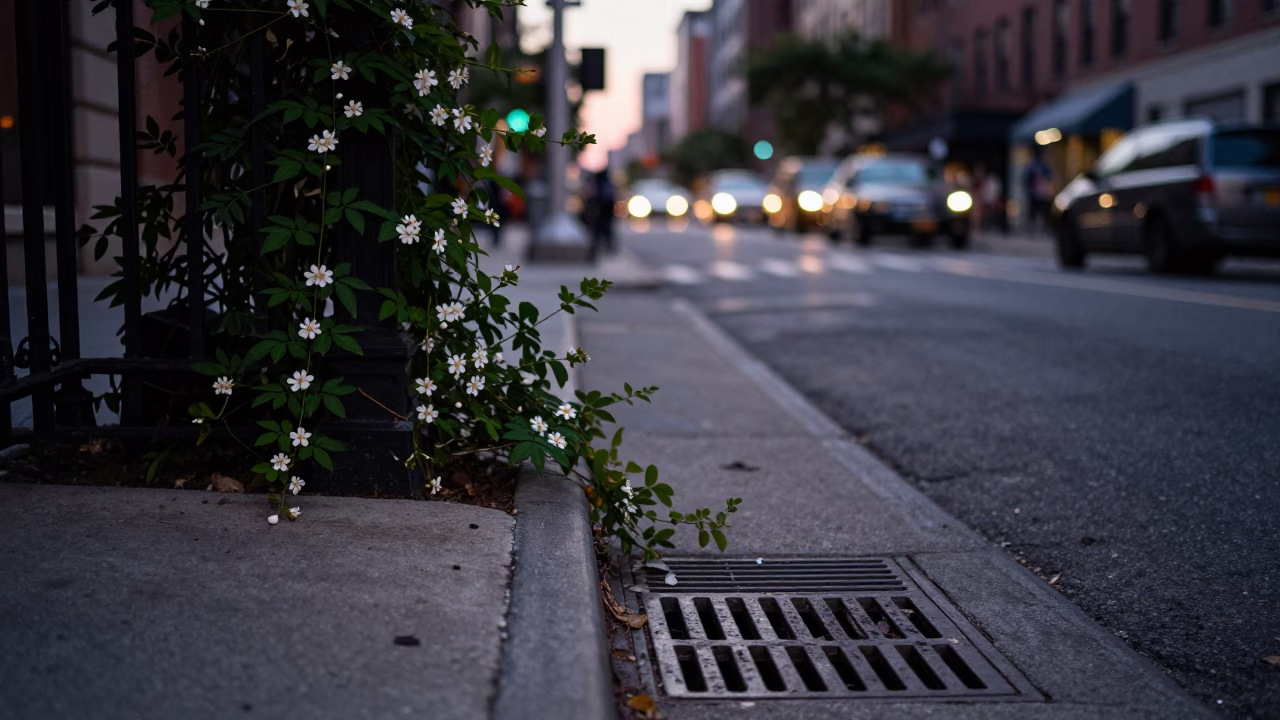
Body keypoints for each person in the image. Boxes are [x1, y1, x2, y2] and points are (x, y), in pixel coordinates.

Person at [584, 169, 616, 260]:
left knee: (596, 234)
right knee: (606, 231)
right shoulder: (608, 185)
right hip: (605, 214)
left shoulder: (598, 185)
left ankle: (594, 253)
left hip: (598, 213)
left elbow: (591, 198)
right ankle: (608, 247)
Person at [1023, 150, 1053, 234]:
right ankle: (1033, 229)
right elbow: (1027, 180)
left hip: (1041, 194)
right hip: (1035, 193)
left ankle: (1039, 229)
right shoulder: (1034, 166)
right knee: (1034, 213)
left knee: (1040, 213)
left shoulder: (1043, 166)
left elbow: (1049, 178)